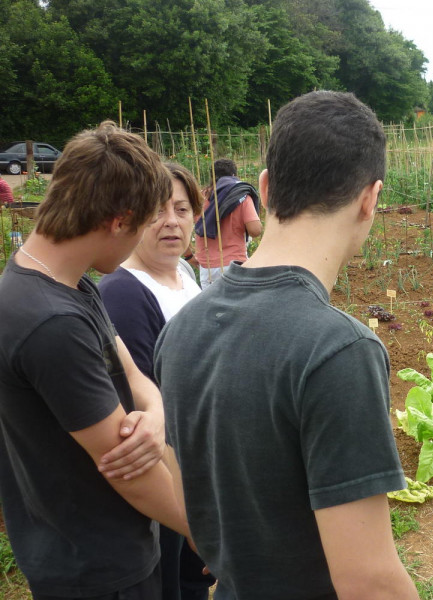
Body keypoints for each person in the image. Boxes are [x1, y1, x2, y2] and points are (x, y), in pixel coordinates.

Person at [155, 91, 419, 600]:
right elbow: (368, 583)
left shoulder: (180, 330)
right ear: (370, 199)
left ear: (267, 187)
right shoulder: (339, 351)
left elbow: (188, 502)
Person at [0, 121, 193, 599]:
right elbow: (130, 472)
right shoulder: (50, 323)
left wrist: (155, 416)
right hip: (96, 571)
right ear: (119, 220)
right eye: (146, 222)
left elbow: (134, 376)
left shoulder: (66, 283)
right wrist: (209, 535)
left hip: (97, 551)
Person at [99, 162, 214, 600]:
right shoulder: (124, 292)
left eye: (182, 209)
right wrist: (184, 511)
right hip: (168, 473)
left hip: (198, 460)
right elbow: (145, 411)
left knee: (192, 581)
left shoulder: (184, 274)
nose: (171, 222)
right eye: (156, 211)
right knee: (175, 583)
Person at [194, 158, 262, 288]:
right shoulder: (240, 196)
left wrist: (187, 256)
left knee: (211, 308)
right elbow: (255, 230)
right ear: (234, 175)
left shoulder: (200, 198)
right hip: (234, 264)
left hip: (207, 267)